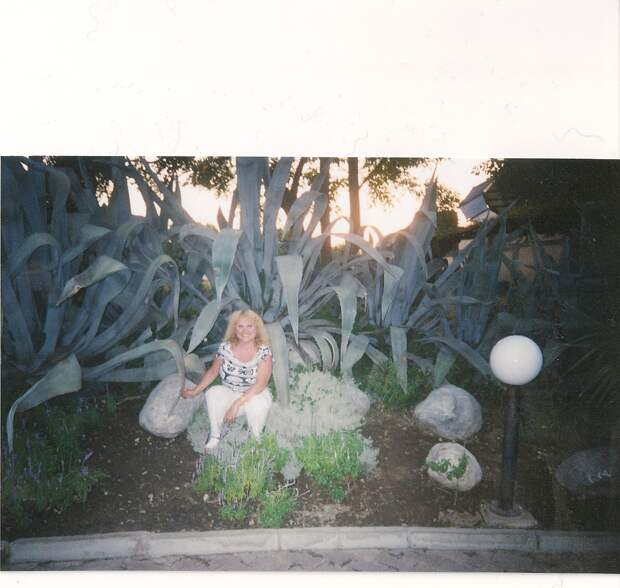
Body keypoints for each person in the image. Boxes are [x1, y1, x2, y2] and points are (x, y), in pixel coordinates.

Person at [181, 309, 273, 451]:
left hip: (253, 395)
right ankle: (215, 437)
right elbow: (213, 372)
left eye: (249, 326)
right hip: (230, 392)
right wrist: (195, 391)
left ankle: (255, 441)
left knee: (260, 402)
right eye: (240, 326)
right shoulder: (225, 347)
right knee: (212, 393)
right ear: (234, 328)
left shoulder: (264, 351)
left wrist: (236, 404)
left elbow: (261, 384)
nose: (245, 331)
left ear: (257, 328)